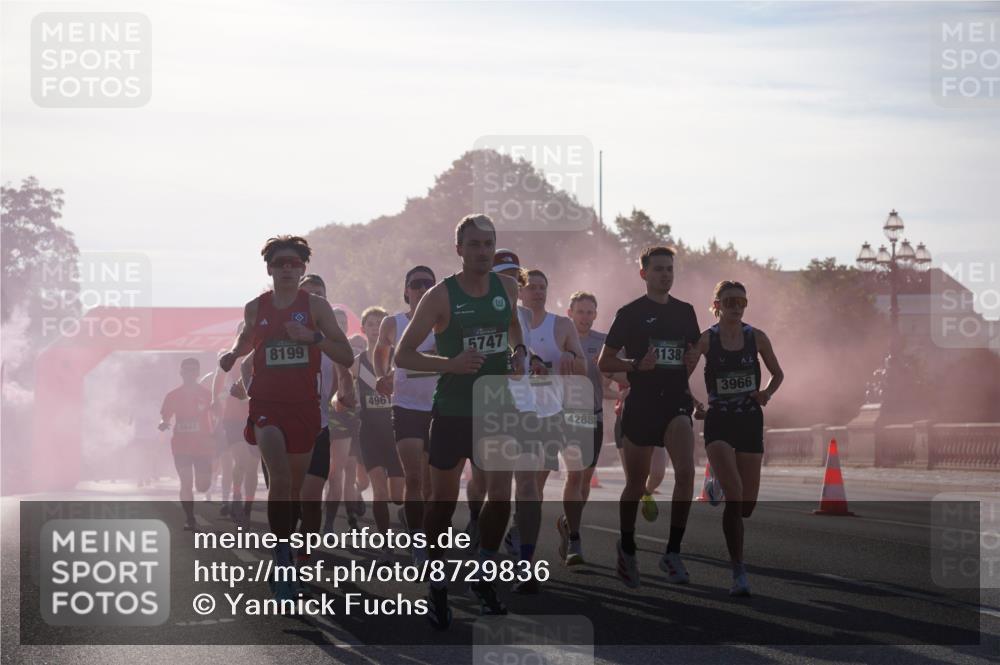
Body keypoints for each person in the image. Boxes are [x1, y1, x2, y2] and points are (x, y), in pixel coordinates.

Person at [395, 214, 526, 629]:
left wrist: (520, 353)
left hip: (496, 408)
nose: (483, 251)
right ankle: (436, 580)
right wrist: (449, 363)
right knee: (443, 504)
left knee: (501, 497)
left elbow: (513, 329)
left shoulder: (507, 287)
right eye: (474, 244)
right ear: (460, 249)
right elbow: (404, 354)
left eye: (489, 244)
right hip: (452, 410)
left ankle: (484, 576)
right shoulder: (440, 295)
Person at [218, 235, 354, 602]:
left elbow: (345, 352)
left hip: (305, 408)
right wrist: (231, 355)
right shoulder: (255, 307)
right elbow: (246, 340)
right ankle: (281, 556)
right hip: (266, 404)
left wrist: (312, 338)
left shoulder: (317, 307)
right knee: (279, 478)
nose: (288, 268)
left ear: (303, 268)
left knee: (294, 489)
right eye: (281, 263)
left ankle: (291, 547)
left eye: (295, 263)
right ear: (270, 268)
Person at [597, 245, 701, 589]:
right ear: (644, 274)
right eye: (658, 269)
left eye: (669, 269)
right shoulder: (629, 313)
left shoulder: (686, 312)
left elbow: (694, 352)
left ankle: (673, 551)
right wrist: (635, 365)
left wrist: (689, 364)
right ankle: (627, 546)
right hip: (641, 405)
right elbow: (604, 362)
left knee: (686, 473)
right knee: (636, 485)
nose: (665, 274)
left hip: (675, 404)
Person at [686, 280, 783, 596]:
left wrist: (766, 393)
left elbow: (778, 374)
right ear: (716, 304)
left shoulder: (756, 337)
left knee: (746, 506)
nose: (736, 306)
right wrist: (695, 405)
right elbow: (680, 375)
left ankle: (719, 481)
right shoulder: (706, 340)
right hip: (719, 422)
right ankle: (738, 571)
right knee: (736, 493)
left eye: (741, 301)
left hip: (750, 421)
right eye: (729, 301)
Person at [510, 268, 585, 594]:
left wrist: (569, 355)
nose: (538, 292)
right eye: (532, 287)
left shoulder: (562, 325)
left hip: (549, 414)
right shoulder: (512, 322)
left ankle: (520, 537)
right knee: (523, 482)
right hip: (513, 411)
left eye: (543, 286)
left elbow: (583, 366)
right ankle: (521, 555)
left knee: (534, 485)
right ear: (521, 292)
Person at [373, 266, 437, 565]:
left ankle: (422, 528)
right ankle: (419, 544)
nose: (422, 288)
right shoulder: (393, 322)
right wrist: (382, 375)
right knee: (413, 476)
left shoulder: (445, 323)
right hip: (406, 406)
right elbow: (380, 350)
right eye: (416, 284)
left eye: (428, 283)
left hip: (439, 406)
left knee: (429, 482)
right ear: (406, 290)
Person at [297, 274, 355, 567]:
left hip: (318, 427)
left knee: (311, 497)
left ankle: (303, 557)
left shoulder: (331, 340)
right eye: (309, 294)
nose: (315, 299)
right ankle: (284, 555)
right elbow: (247, 365)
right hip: (282, 429)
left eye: (320, 294)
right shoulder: (285, 331)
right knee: (287, 498)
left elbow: (346, 376)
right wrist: (245, 391)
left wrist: (343, 395)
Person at [556, 291, 611, 566]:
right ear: (570, 313)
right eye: (581, 312)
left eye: (590, 312)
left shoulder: (603, 342)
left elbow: (615, 376)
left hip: (594, 415)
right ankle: (575, 538)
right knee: (575, 477)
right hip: (567, 415)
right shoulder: (562, 340)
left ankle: (568, 522)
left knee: (585, 481)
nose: (585, 317)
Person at [352, 305, 404, 564]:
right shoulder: (357, 362)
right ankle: (386, 544)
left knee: (398, 495)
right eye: (370, 323)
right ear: (363, 329)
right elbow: (341, 389)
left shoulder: (398, 357)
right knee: (380, 492)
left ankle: (406, 513)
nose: (375, 327)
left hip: (396, 432)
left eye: (380, 323)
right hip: (370, 432)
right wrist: (342, 398)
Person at [158, 357, 214, 530]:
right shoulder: (173, 395)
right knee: (186, 482)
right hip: (181, 445)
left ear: (197, 373)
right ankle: (190, 519)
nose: (189, 373)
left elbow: (218, 413)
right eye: (186, 370)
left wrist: (217, 429)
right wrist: (164, 422)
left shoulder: (207, 394)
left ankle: (202, 486)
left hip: (203, 446)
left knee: (203, 486)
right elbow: (165, 414)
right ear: (181, 373)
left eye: (193, 370)